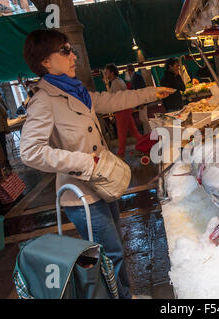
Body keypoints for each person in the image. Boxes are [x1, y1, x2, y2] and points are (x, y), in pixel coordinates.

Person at [20, 29, 174, 299]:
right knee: (109, 253)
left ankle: (124, 294)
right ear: (45, 61)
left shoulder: (77, 90)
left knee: (114, 250)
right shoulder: (43, 100)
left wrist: (152, 92)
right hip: (81, 194)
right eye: (65, 51)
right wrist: (84, 161)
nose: (73, 56)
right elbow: (31, 151)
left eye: (72, 49)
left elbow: (113, 100)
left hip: (102, 182)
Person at [126, 64, 151, 136]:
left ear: (129, 70)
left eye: (127, 71)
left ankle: (149, 132)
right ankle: (147, 132)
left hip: (142, 101)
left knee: (143, 118)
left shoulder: (137, 77)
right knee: (142, 118)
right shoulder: (135, 76)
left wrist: (142, 102)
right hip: (141, 101)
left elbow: (141, 89)